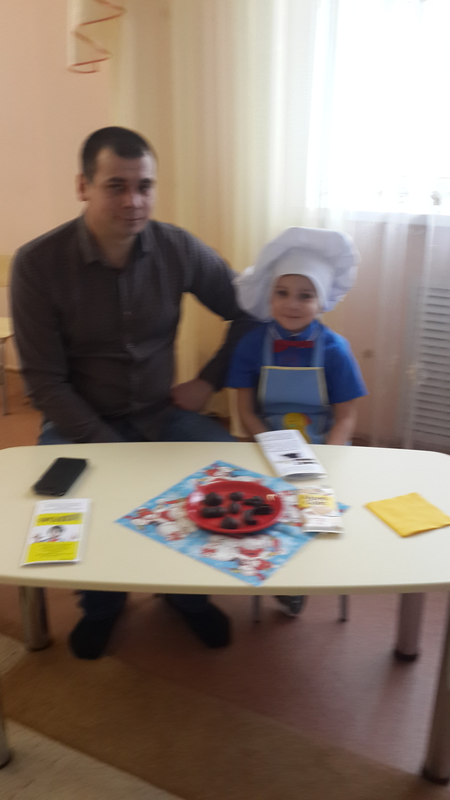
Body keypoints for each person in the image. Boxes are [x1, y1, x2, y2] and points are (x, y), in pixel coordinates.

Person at [11, 126, 256, 659]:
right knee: (72, 504)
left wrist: (208, 381)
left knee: (226, 475)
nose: (133, 202)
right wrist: (111, 448)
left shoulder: (177, 247)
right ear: (83, 186)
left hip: (159, 413)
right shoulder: (36, 264)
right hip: (77, 422)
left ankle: (185, 594)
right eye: (115, 186)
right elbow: (45, 382)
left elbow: (249, 311)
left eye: (144, 186)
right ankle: (101, 604)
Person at [226, 226, 368, 615]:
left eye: (305, 295)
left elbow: (346, 416)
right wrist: (272, 447)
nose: (292, 304)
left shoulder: (336, 350)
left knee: (315, 514)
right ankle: (271, 569)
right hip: (266, 441)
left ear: (321, 301)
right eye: (282, 293)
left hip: (324, 444)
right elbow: (245, 411)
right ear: (269, 295)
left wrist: (326, 460)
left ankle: (303, 575)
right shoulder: (251, 344)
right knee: (263, 511)